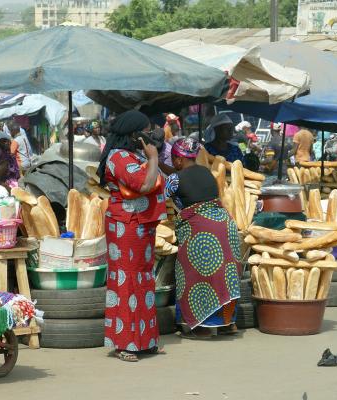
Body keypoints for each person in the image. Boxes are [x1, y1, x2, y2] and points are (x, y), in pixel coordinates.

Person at [97, 110, 166, 362]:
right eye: (146, 130)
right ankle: (125, 343)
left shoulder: (131, 155)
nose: (150, 134)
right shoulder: (119, 157)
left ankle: (144, 341)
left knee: (143, 280)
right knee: (126, 280)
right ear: (134, 134)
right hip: (125, 225)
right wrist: (154, 157)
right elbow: (144, 185)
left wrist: (152, 157)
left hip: (141, 225)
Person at [164, 138, 241, 339]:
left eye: (173, 159)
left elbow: (162, 196)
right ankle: (227, 324)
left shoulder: (175, 179)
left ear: (179, 160)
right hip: (225, 224)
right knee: (224, 276)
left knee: (192, 276)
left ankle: (200, 327)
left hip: (202, 230)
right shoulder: (207, 172)